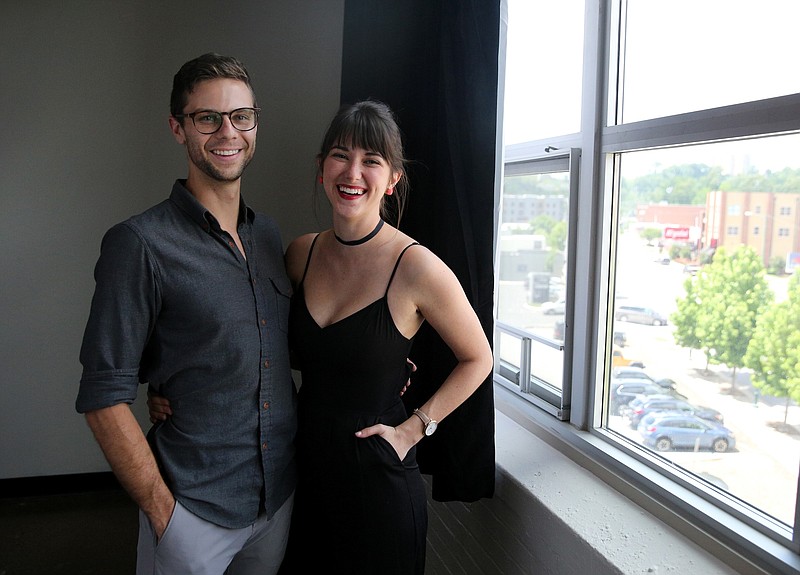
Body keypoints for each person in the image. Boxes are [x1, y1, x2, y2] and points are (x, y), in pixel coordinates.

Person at [75, 53, 297, 575]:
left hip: (277, 498)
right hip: (192, 510)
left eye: (242, 116)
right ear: (178, 128)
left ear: (255, 124)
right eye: (207, 117)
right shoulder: (139, 244)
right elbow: (103, 397)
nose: (228, 131)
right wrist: (162, 512)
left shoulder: (266, 236)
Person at [280, 100, 494, 574]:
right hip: (304, 473)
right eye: (340, 155)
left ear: (392, 178)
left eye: (371, 160)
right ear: (321, 169)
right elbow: (280, 347)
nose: (352, 171)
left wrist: (414, 429)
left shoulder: (416, 266)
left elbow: (479, 359)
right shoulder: (300, 254)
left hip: (376, 480)